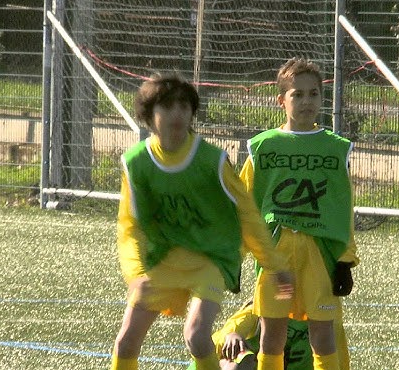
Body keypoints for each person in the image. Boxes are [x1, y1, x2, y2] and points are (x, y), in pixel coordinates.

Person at [110, 73, 293, 370]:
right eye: (168, 106)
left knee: (196, 335)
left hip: (208, 261)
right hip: (162, 262)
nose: (178, 114)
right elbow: (129, 227)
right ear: (148, 114)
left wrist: (274, 265)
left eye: (185, 107)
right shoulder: (137, 164)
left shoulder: (212, 161)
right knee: (125, 342)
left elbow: (247, 215)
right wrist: (136, 274)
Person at [239, 58, 359, 370]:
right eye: (297, 95)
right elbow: (244, 203)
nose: (306, 102)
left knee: (322, 335)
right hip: (276, 254)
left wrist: (346, 258)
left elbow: (343, 205)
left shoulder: (335, 148)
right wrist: (233, 254)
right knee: (271, 336)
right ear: (281, 100)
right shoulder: (263, 147)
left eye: (313, 94)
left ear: (322, 97)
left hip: (318, 254)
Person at [185, 300, 351, 370]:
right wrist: (231, 336)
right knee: (240, 364)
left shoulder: (327, 320)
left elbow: (340, 364)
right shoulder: (260, 309)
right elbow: (219, 340)